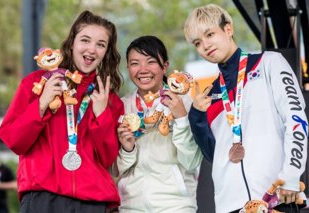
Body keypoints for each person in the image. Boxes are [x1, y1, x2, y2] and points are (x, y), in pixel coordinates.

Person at [184, 4, 308, 213]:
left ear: (228, 29)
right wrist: (196, 116)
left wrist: (291, 175)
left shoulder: (269, 63)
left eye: (210, 34)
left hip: (277, 198)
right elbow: (214, 155)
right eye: (198, 42)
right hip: (231, 207)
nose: (205, 45)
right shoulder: (210, 94)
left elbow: (296, 120)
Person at [0, 10, 124, 213]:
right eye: (85, 40)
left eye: (101, 44)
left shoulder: (108, 100)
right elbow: (14, 140)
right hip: (42, 198)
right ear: (72, 42)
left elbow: (108, 158)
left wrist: (102, 116)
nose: (92, 49)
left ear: (106, 52)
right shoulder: (37, 84)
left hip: (91, 202)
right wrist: (41, 104)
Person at [115, 35, 203, 213]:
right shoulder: (121, 106)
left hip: (176, 205)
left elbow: (191, 161)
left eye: (151, 61)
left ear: (165, 66)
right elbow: (115, 171)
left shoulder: (185, 103)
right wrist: (128, 149)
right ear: (127, 68)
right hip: (131, 206)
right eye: (135, 63)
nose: (143, 69)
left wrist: (180, 118)